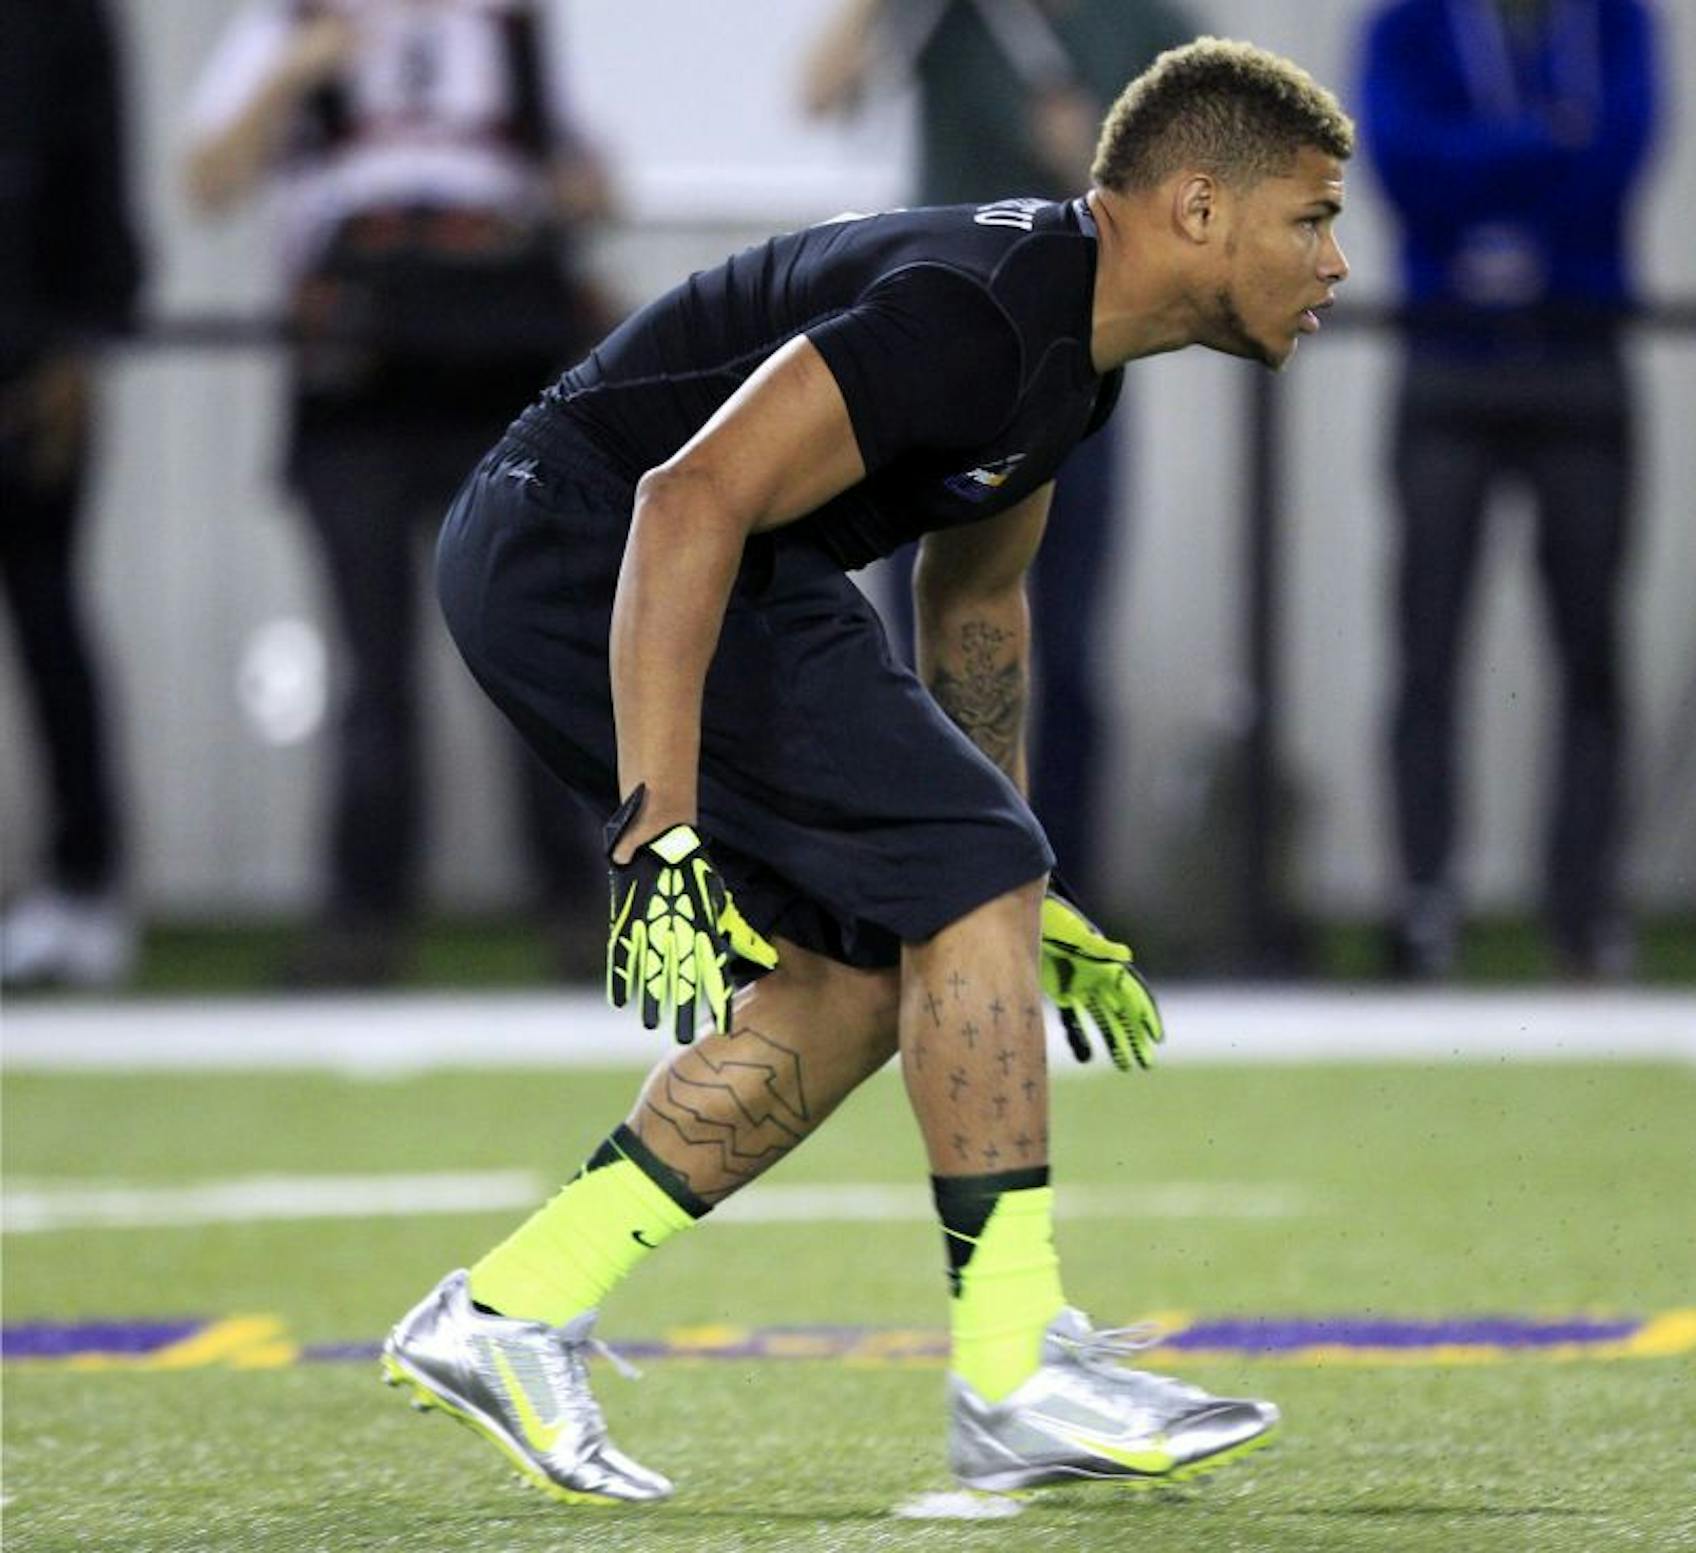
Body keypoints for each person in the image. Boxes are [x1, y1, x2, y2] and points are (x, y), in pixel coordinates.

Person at [379, 39, 1353, 1503]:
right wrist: (659, 837)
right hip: (590, 544)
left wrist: (1011, 873)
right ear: (1200, 210)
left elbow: (972, 613)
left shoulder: (1072, 360)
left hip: (661, 556)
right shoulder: (977, 314)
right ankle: (1015, 1369)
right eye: (1313, 216)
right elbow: (683, 492)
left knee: (857, 976)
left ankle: (510, 1309)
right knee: (956, 881)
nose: (1334, 261)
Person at [182, 0, 612, 985]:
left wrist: (552, 191)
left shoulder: (511, 34)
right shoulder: (292, 27)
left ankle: (576, 910)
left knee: (533, 642)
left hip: (499, 365)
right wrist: (299, 68)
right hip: (357, 378)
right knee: (373, 662)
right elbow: (206, 179)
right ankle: (364, 916)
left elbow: (590, 187)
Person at [802, 0, 1197, 901]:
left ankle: (1060, 890)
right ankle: (929, 883)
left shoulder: (1139, 27)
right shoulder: (949, 18)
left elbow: (1199, 201)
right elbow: (820, 92)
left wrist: (1098, 166)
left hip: (1073, 369)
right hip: (940, 365)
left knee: (1067, 642)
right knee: (913, 646)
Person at [1357, 0, 1660, 980]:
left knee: (1590, 642)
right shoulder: (1407, 22)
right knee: (1428, 638)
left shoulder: (1615, 19)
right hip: (1448, 360)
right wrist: (1544, 142)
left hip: (1580, 350)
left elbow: (1624, 147)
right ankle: (1427, 894)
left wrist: (1489, 166)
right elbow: (1401, 160)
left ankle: (1584, 903)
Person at [0, 0, 145, 991]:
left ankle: (83, 881)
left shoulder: (57, 21)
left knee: (49, 618)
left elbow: (96, 184)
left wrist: (79, 349)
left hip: (26, 365)